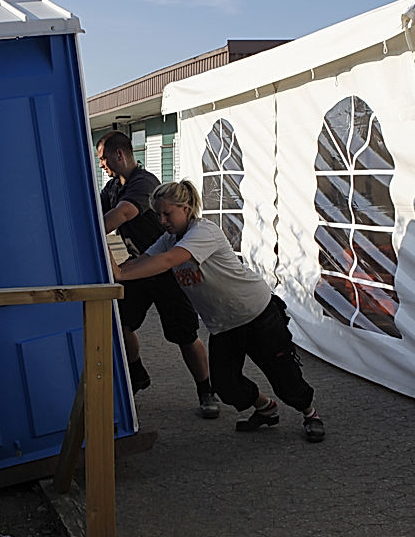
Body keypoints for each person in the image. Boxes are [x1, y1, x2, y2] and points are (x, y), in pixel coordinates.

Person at [112, 179, 325, 443]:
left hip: (257, 312)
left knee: (284, 378)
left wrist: (120, 272)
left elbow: (166, 262)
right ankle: (266, 408)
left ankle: (310, 414)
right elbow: (143, 260)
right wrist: (117, 271)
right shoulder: (168, 239)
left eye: (168, 213)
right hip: (224, 325)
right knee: (224, 385)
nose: (163, 220)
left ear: (187, 208)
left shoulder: (203, 232)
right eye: (159, 214)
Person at [96, 131, 220, 418]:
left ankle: (206, 391)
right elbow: (96, 211)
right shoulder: (114, 186)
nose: (101, 164)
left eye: (103, 158)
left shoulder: (143, 182)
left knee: (184, 335)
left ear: (119, 154)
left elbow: (122, 215)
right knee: (120, 323)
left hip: (166, 269)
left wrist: (90, 235)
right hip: (140, 266)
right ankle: (137, 374)